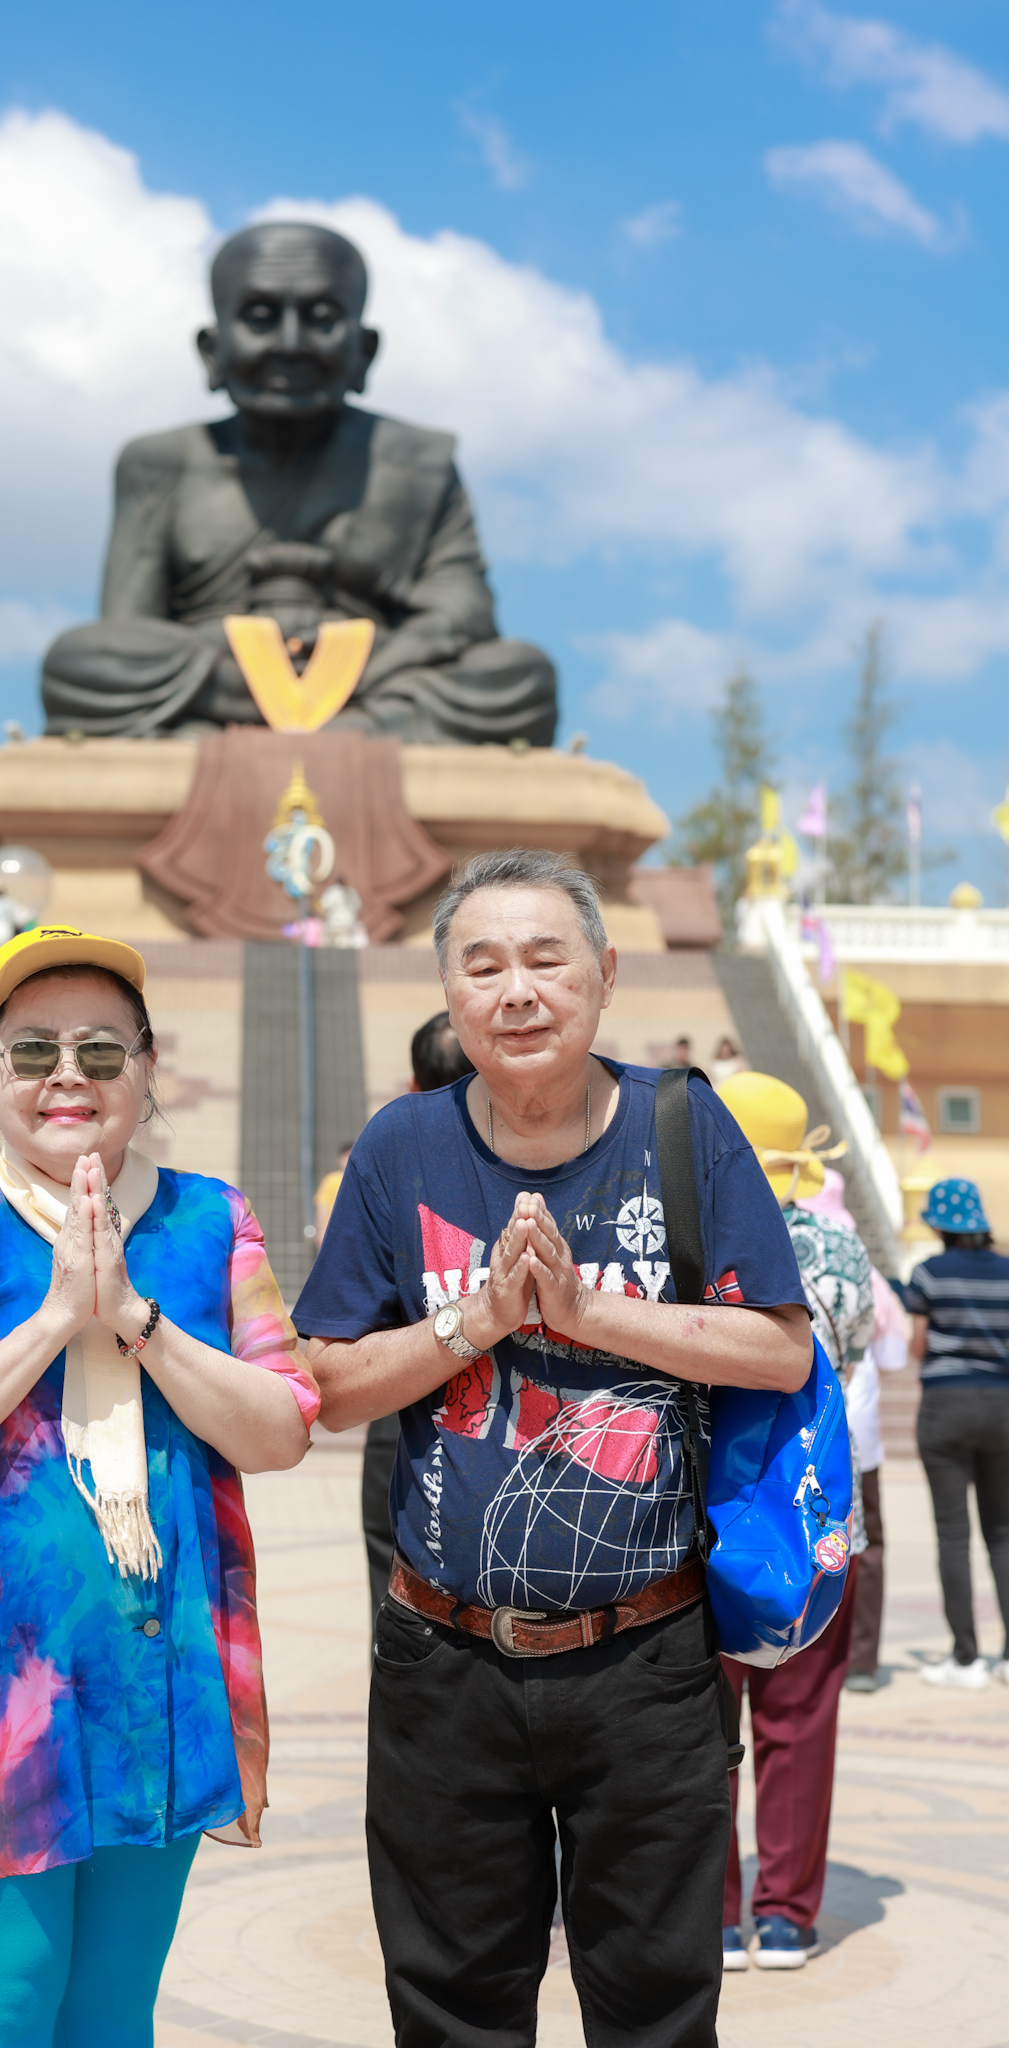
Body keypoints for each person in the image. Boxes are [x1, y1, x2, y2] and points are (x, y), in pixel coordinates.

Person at [295, 847, 812, 2048]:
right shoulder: (400, 1146)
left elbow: (780, 1349)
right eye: (483, 965)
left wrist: (587, 1313)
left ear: (605, 972)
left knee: (657, 2009)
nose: (517, 990)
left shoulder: (684, 1125)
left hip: (649, 1658)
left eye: (546, 957)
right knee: (451, 2007)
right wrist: (474, 1320)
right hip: (443, 1658)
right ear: (450, 992)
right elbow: (328, 1385)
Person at [0, 923, 318, 2048]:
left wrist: (133, 1316)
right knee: (2, 2004)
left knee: (111, 2013)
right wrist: (56, 1318)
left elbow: (280, 1429)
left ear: (146, 1072)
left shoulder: (211, 1220)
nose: (68, 1075)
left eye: (102, 1051)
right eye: (33, 1050)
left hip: (161, 1672)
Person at [40, 222, 557, 745]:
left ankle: (254, 736)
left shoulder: (417, 462)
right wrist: (239, 650)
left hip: (373, 676)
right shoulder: (159, 463)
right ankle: (353, 734)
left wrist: (357, 660)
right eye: (260, 318)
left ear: (364, 351)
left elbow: (464, 613)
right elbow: (124, 631)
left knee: (520, 674)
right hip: (220, 675)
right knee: (79, 660)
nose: (290, 345)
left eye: (322, 319)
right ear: (212, 351)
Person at [715, 1073, 873, 1971]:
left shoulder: (703, 1238)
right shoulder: (838, 1245)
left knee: (703, 1721)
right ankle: (785, 1916)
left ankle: (714, 1914)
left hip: (712, 1512)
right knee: (801, 1718)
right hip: (818, 1511)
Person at [359, 1011, 478, 1619]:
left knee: (395, 1583)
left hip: (400, 1403)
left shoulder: (389, 1166)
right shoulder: (537, 1163)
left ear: (413, 1085)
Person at [797, 1172, 908, 1694]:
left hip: (761, 1444)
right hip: (849, 1433)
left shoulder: (748, 1235)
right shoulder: (855, 1258)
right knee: (857, 1544)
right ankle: (862, 1660)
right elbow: (892, 1354)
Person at [906, 1177, 1009, 1688]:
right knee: (1003, 1534)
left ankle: (966, 1659)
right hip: (1002, 1407)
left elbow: (918, 1346)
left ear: (940, 1226)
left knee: (953, 1535)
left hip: (946, 1408)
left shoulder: (928, 1273)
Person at [314, 1141, 354, 1244]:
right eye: (346, 1155)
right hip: (332, 1233)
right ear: (339, 1159)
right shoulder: (331, 1180)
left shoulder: (360, 1181)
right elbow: (322, 1206)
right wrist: (320, 1231)